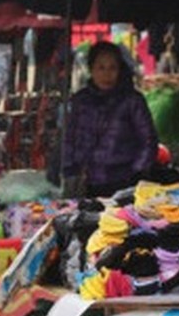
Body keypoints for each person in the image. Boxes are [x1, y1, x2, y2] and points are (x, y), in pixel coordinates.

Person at [62, 40, 159, 198]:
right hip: (89, 182)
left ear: (120, 70)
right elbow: (70, 138)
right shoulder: (81, 101)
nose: (106, 74)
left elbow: (148, 140)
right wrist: (70, 170)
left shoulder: (132, 100)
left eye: (112, 68)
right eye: (101, 67)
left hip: (125, 183)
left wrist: (136, 172)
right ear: (91, 69)